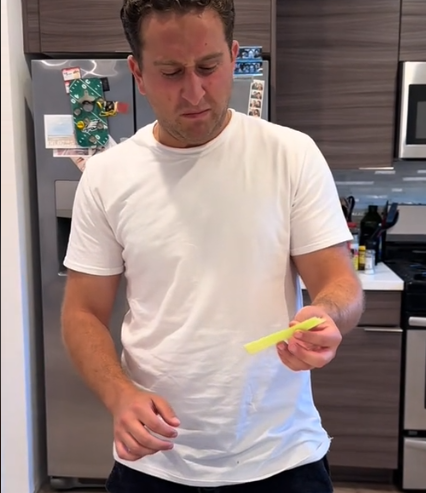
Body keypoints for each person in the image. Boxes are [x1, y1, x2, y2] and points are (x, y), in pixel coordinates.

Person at [60, 0, 365, 492]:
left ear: (233, 56)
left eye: (208, 67)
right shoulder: (106, 176)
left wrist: (329, 314)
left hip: (283, 457)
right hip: (156, 463)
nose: (194, 91)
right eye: (171, 72)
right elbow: (82, 313)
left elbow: (338, 282)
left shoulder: (290, 153)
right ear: (138, 73)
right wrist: (119, 395)